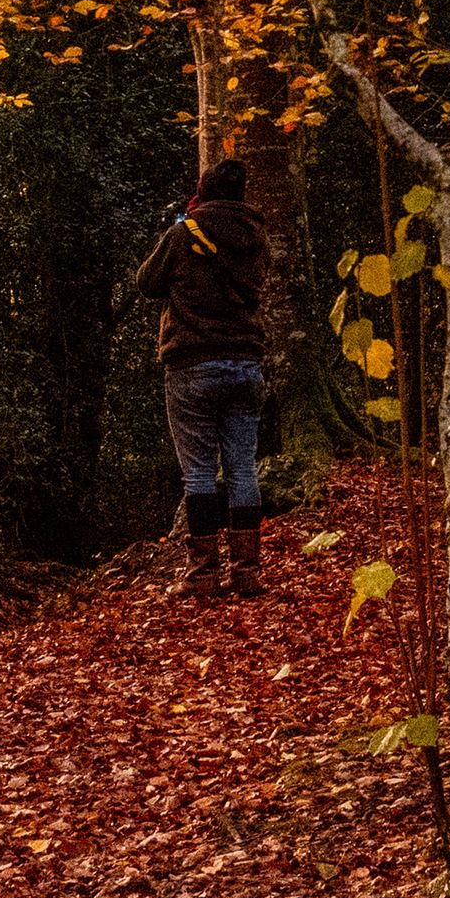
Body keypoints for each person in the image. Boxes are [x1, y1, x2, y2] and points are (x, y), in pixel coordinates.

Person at [129, 154, 282, 597]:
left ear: (203, 193)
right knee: (241, 470)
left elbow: (146, 283)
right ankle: (247, 572)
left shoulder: (183, 234)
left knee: (198, 474)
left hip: (192, 364)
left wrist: (186, 223)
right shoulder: (258, 238)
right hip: (246, 362)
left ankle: (203, 575)